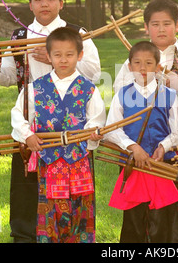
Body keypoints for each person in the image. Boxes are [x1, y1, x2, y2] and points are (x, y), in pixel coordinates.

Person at [0, 0, 101, 243]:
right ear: (30, 4)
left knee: (73, 187)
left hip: (71, 125)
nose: (44, 4)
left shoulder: (76, 32)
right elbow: (10, 76)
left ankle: (72, 234)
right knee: (27, 186)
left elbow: (94, 73)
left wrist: (53, 57)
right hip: (32, 124)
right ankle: (26, 235)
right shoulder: (19, 36)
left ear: (61, 2)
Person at [10, 27, 106, 243]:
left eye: (69, 54)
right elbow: (18, 114)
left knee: (81, 204)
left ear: (80, 56)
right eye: (57, 55)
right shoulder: (36, 88)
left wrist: (92, 133)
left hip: (79, 159)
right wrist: (28, 136)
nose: (63, 60)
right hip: (50, 161)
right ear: (49, 56)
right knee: (49, 206)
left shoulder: (88, 89)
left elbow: (97, 119)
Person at [104, 41, 178, 243]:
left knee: (163, 218)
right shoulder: (122, 96)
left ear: (158, 67)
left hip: (162, 165)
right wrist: (132, 147)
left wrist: (163, 146)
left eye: (148, 63)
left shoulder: (170, 96)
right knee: (134, 218)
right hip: (133, 165)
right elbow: (111, 129)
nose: (142, 68)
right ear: (129, 67)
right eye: (137, 63)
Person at [113, 0, 178, 93]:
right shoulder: (135, 60)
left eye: (166, 24)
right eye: (155, 24)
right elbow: (119, 90)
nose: (161, 29)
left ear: (177, 25)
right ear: (146, 27)